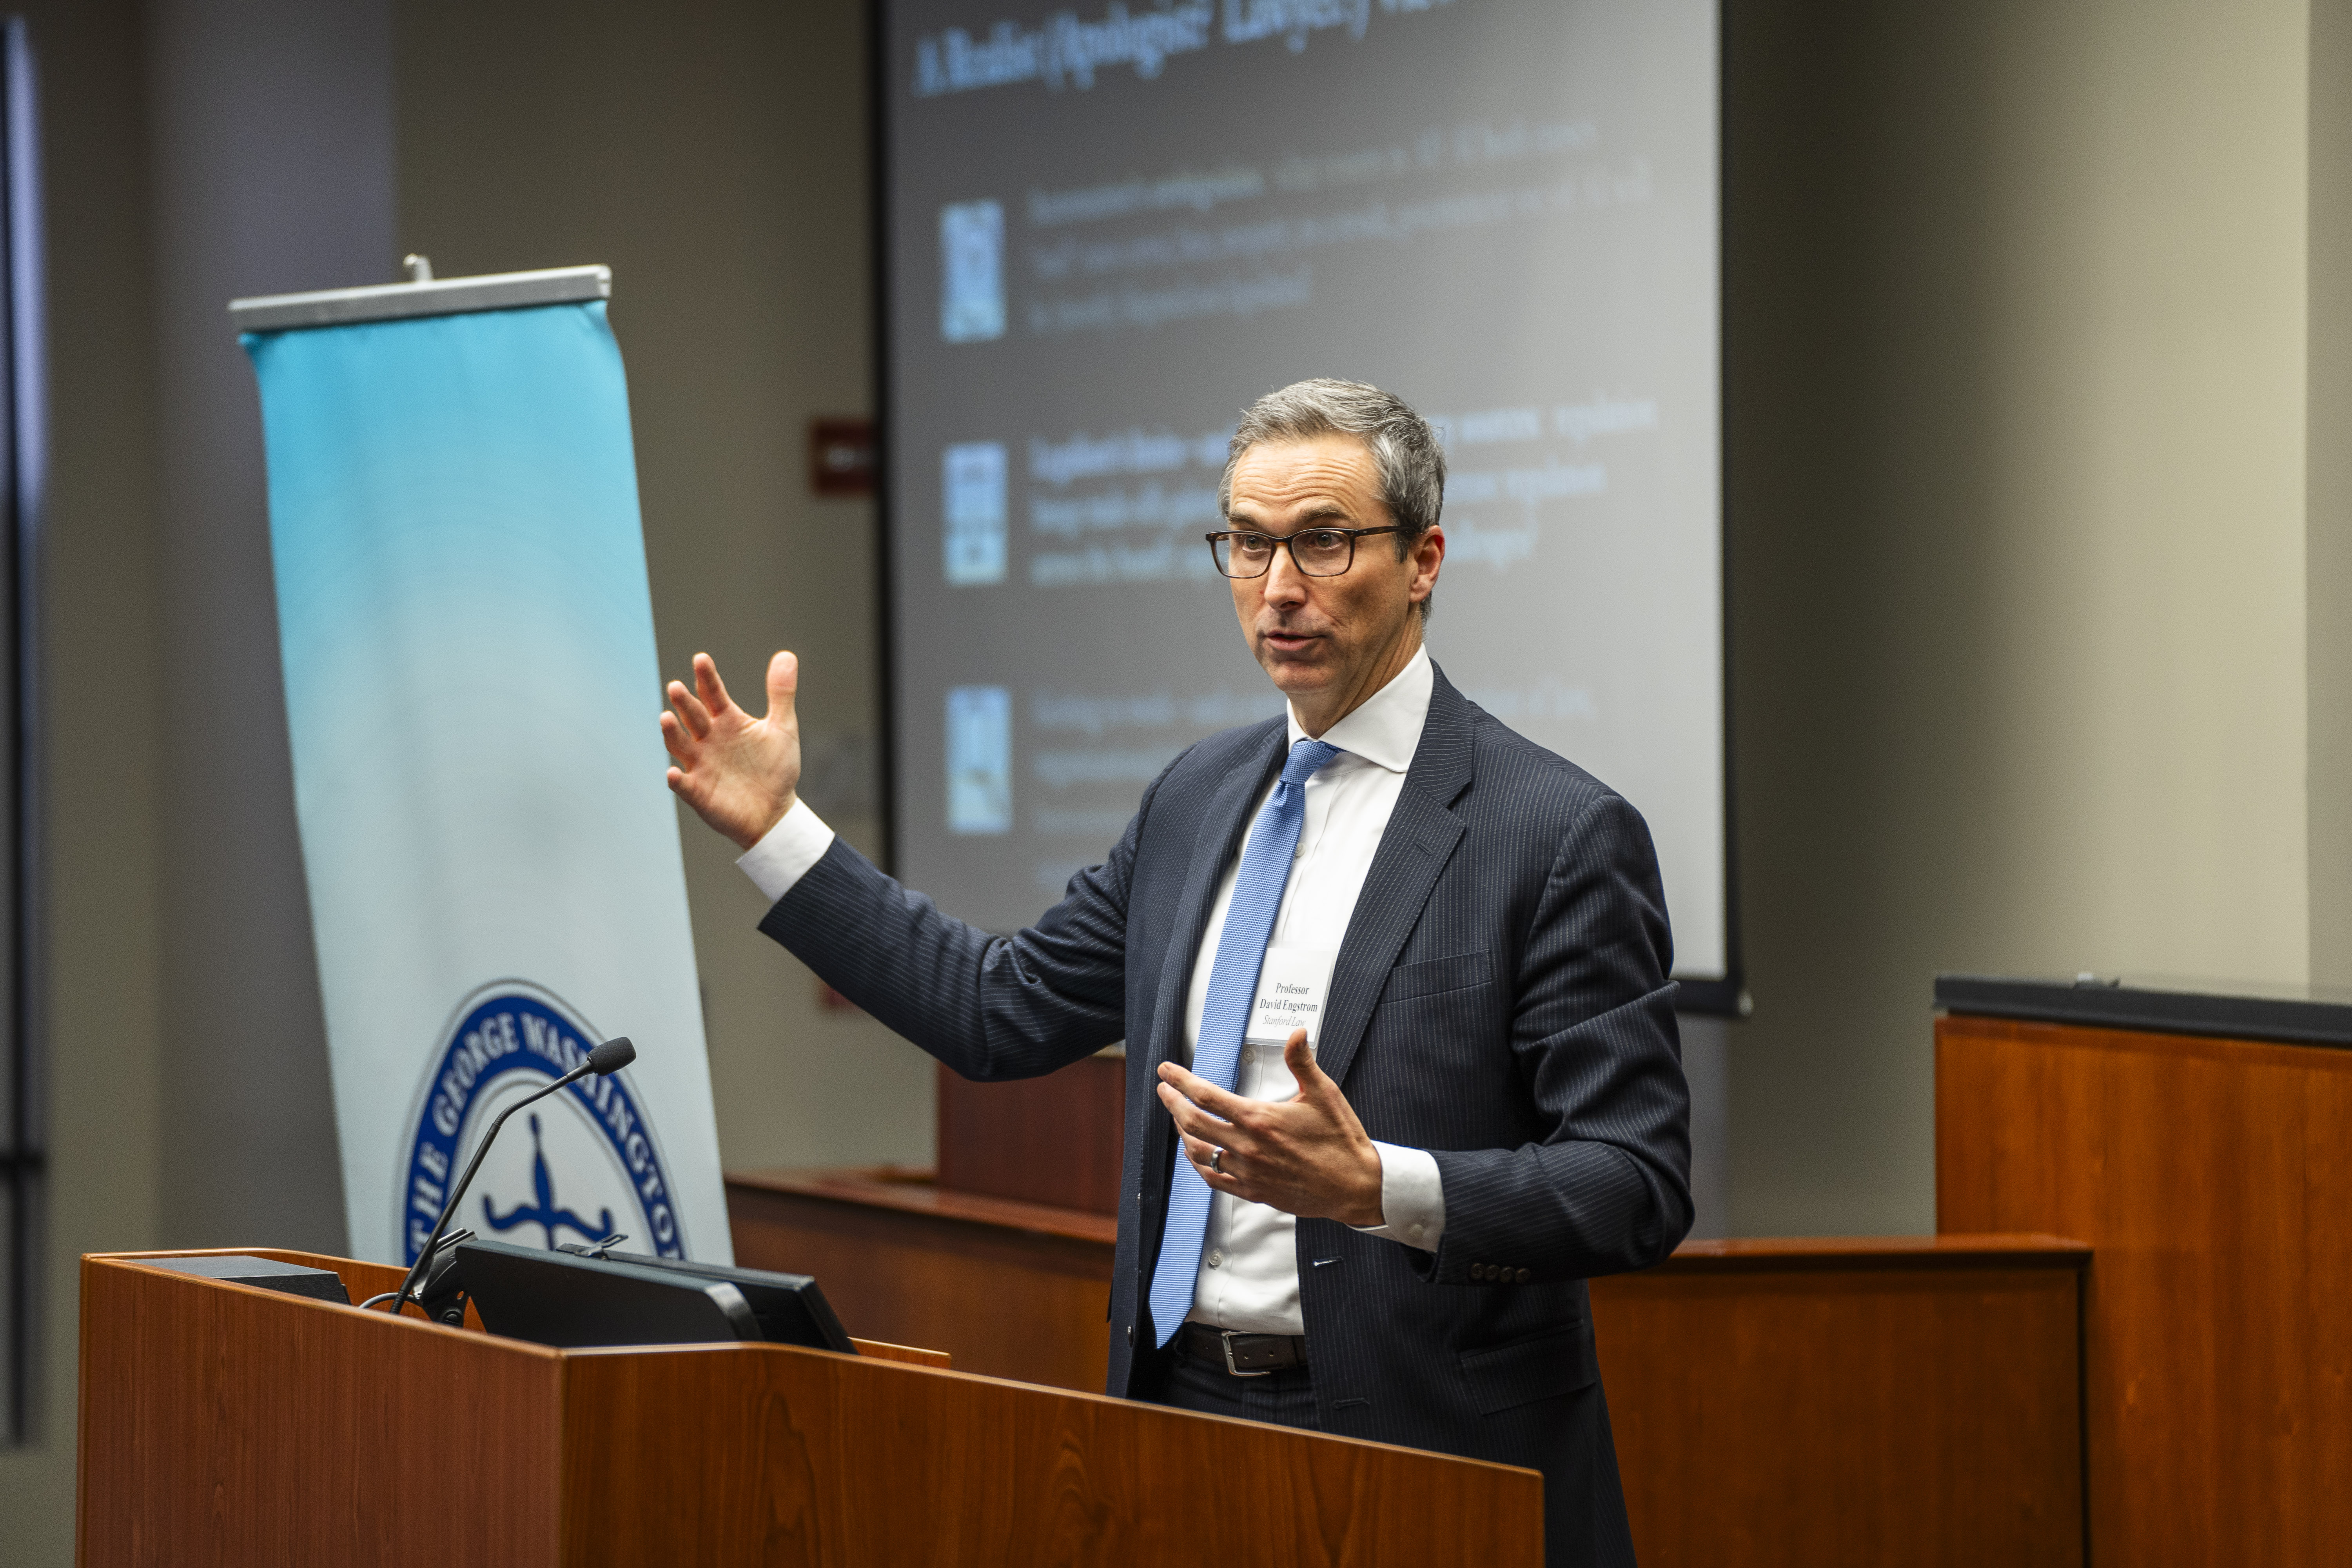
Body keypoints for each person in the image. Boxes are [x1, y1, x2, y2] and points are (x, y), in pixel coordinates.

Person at [661, 378, 1691, 1567]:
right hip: (1176, 1417)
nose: (1279, 588)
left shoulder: (1554, 832)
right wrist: (778, 833)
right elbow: (997, 1010)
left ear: (1425, 561)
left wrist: (1378, 1187)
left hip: (1428, 1449)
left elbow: (1634, 1183)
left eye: (1324, 542)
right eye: (1249, 546)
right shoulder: (1200, 797)